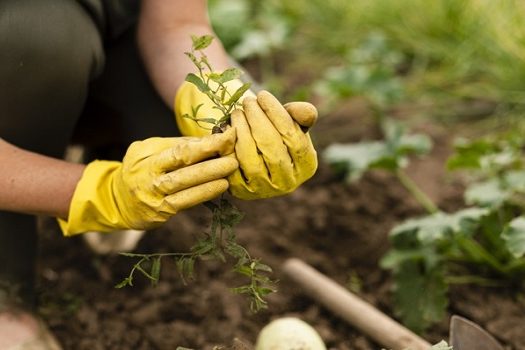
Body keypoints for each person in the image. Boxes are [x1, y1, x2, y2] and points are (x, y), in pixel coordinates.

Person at [0, 0, 318, 348]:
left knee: (209, 115)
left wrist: (218, 112)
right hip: (24, 50)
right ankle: (7, 298)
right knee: (35, 41)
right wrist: (95, 191)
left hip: (109, 41)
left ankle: (83, 142)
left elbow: (176, 22)